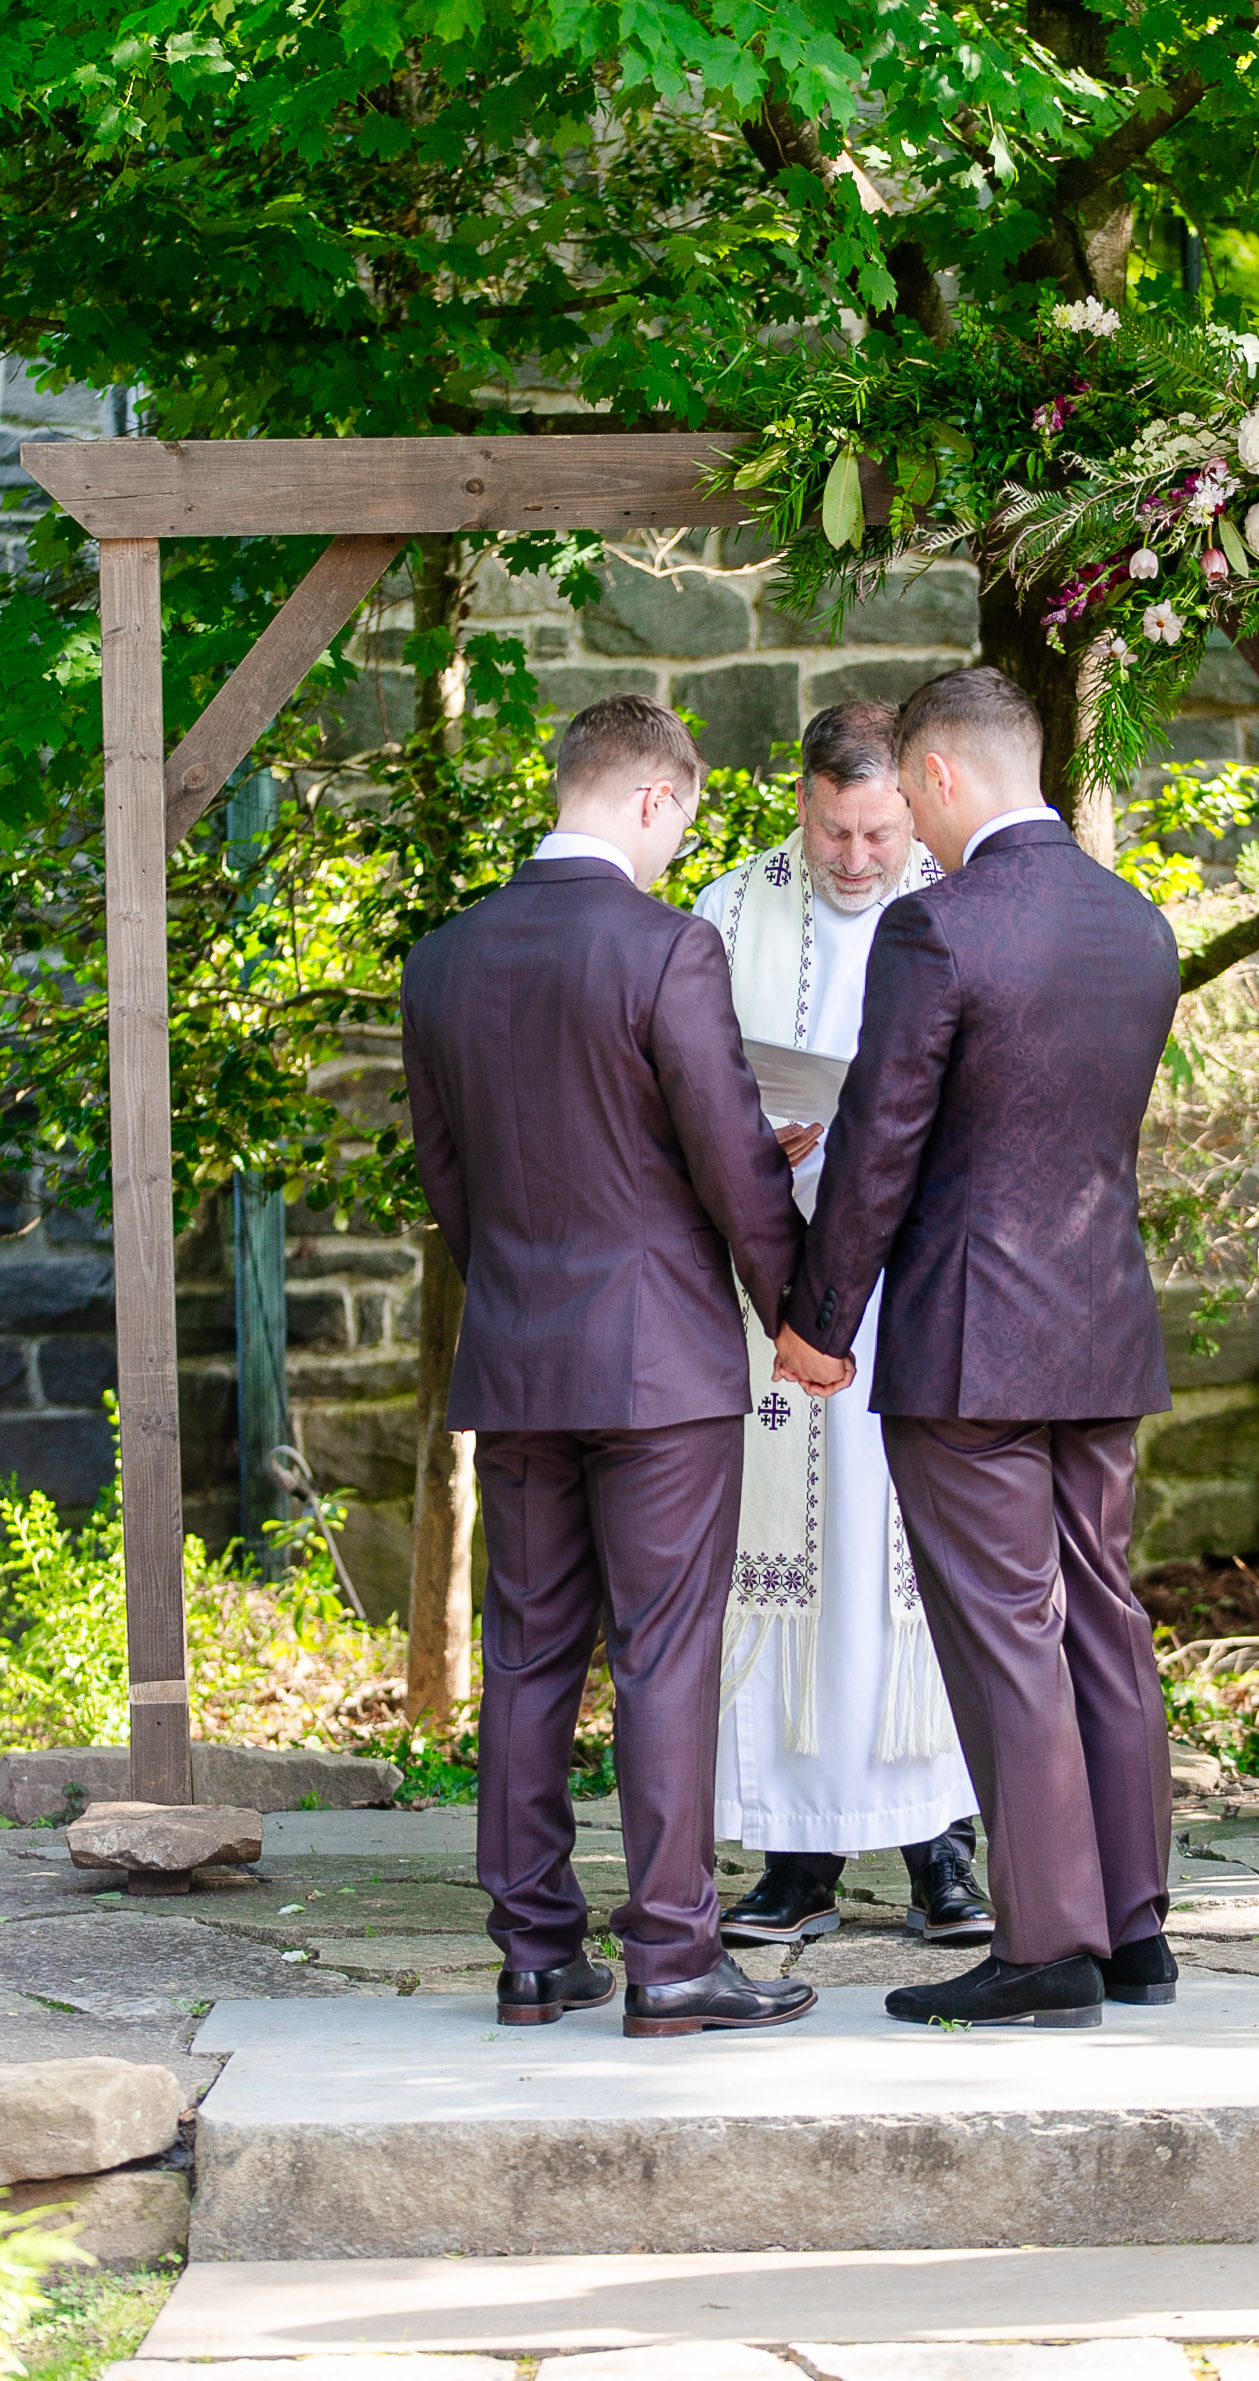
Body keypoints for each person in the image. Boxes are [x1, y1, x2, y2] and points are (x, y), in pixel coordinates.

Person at [401, 694, 817, 2040]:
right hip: (657, 1372)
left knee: (525, 1657)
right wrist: (797, 1311)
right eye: (678, 822)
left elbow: (452, 1185)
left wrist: (525, 1291)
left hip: (519, 1355)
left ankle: (531, 1954)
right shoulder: (666, 948)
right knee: (661, 1658)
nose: (671, 847)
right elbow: (725, 1160)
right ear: (650, 799)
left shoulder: (444, 961)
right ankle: (674, 1958)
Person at [776, 666, 1181, 2030]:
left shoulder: (935, 931)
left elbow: (877, 1153)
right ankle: (1132, 1929)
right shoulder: (1135, 923)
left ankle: (1045, 1944)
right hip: (1101, 1324)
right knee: (1103, 1620)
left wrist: (817, 1324)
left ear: (937, 777)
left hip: (967, 1340)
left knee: (1009, 1636)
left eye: (912, 803)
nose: (908, 835)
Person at [693, 702, 992, 1949]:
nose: (857, 857)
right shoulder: (727, 905)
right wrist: (745, 1134)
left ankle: (944, 1851)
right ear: (800, 802)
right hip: (770, 1283)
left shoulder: (958, 898)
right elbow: (684, 1071)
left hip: (909, 1280)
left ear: (911, 808)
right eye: (833, 829)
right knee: (793, 1567)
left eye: (877, 831)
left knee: (912, 1562)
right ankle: (797, 1857)